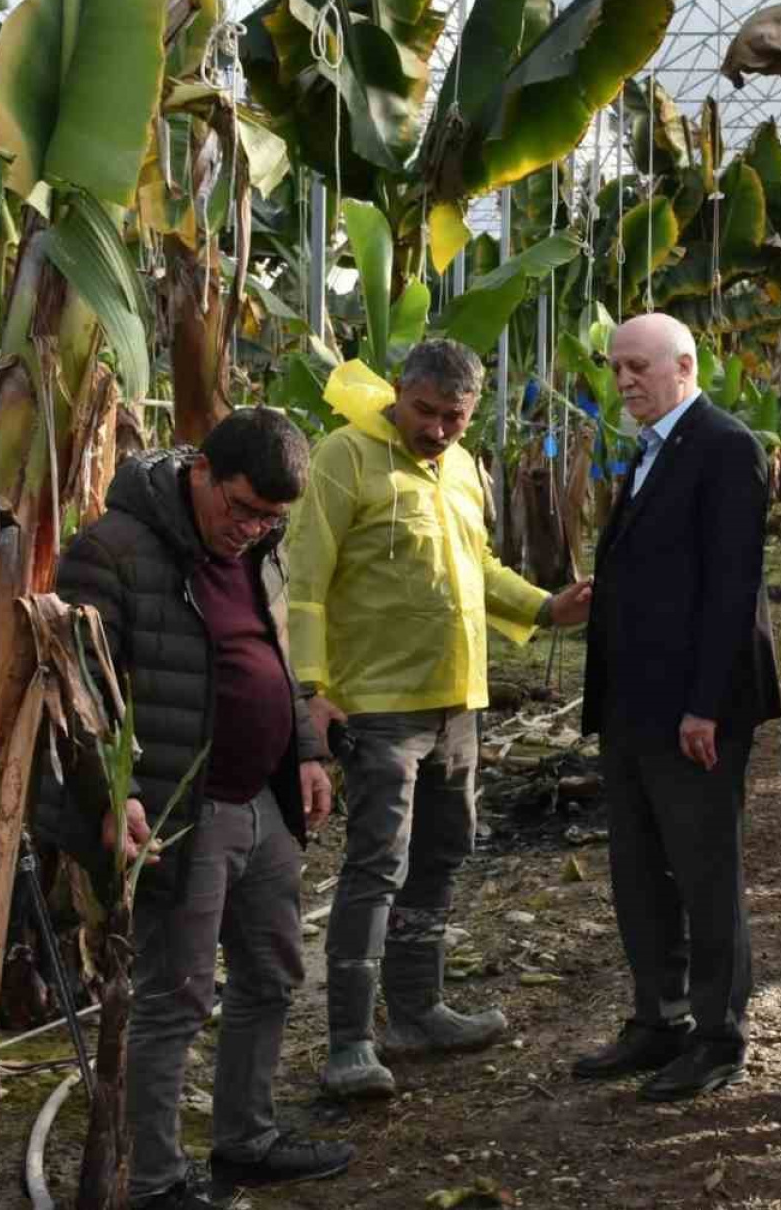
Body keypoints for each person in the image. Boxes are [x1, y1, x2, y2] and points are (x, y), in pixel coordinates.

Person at [51, 409, 353, 1210]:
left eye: (270, 519)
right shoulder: (110, 551)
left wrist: (308, 754)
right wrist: (112, 799)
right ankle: (153, 1180)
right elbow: (75, 696)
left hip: (262, 798)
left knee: (271, 973)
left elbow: (271, 654)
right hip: (181, 809)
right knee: (175, 996)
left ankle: (245, 1138)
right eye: (242, 508)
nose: (251, 529)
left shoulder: (256, 549)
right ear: (203, 473)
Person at [288, 341, 592, 1100]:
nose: (439, 430)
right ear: (400, 393)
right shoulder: (344, 457)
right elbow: (304, 581)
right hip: (379, 705)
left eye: (455, 417)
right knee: (375, 864)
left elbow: (476, 566)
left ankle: (417, 1011)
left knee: (442, 853)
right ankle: (349, 1043)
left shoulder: (461, 466)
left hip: (458, 698)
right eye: (426, 412)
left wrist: (545, 608)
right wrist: (309, 687)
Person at [571, 313, 781, 1102]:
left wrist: (705, 707)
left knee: (703, 869)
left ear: (685, 365)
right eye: (616, 368)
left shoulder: (725, 447)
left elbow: (732, 590)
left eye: (637, 368)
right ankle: (659, 1018)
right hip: (634, 703)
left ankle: (719, 1034)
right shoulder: (654, 449)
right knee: (639, 869)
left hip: (694, 711)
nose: (623, 381)